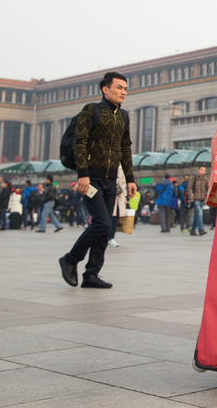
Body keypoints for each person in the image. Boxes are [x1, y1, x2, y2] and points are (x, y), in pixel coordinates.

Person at [59, 71, 137, 289]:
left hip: (111, 180)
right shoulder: (90, 111)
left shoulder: (123, 116)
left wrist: (130, 179)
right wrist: (82, 174)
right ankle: (70, 259)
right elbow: (80, 143)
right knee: (101, 222)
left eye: (125, 89)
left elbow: (125, 149)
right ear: (105, 89)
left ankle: (91, 274)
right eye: (119, 87)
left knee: (104, 228)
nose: (123, 92)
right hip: (91, 178)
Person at [187, 166, 209, 236]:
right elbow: (189, 188)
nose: (203, 171)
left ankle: (192, 230)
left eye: (204, 170)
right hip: (195, 199)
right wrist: (191, 197)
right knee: (199, 214)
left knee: (197, 216)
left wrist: (208, 198)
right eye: (201, 170)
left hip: (202, 199)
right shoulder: (194, 178)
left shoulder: (205, 179)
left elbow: (208, 188)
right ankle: (201, 230)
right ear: (198, 170)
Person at [108, 166, 127, 248]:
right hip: (107, 194)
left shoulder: (120, 168)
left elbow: (123, 183)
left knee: (114, 217)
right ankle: (106, 237)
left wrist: (124, 196)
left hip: (117, 196)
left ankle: (111, 237)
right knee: (107, 217)